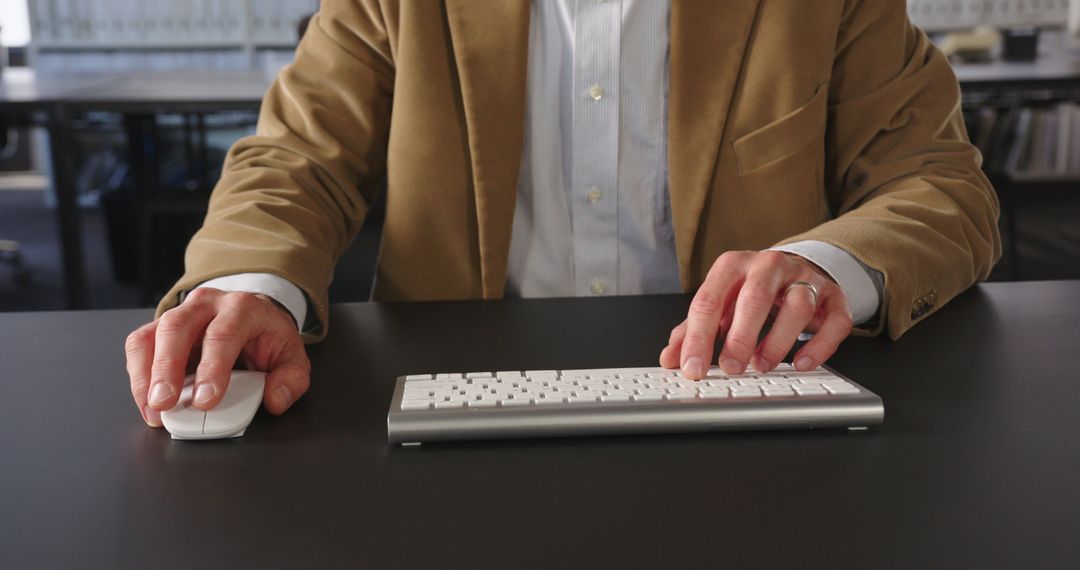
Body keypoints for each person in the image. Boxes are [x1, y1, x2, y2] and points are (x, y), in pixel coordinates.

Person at [125, 1, 1000, 427]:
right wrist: (252, 284)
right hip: (450, 408)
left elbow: (941, 186)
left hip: (744, 398)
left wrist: (825, 264)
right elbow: (297, 159)